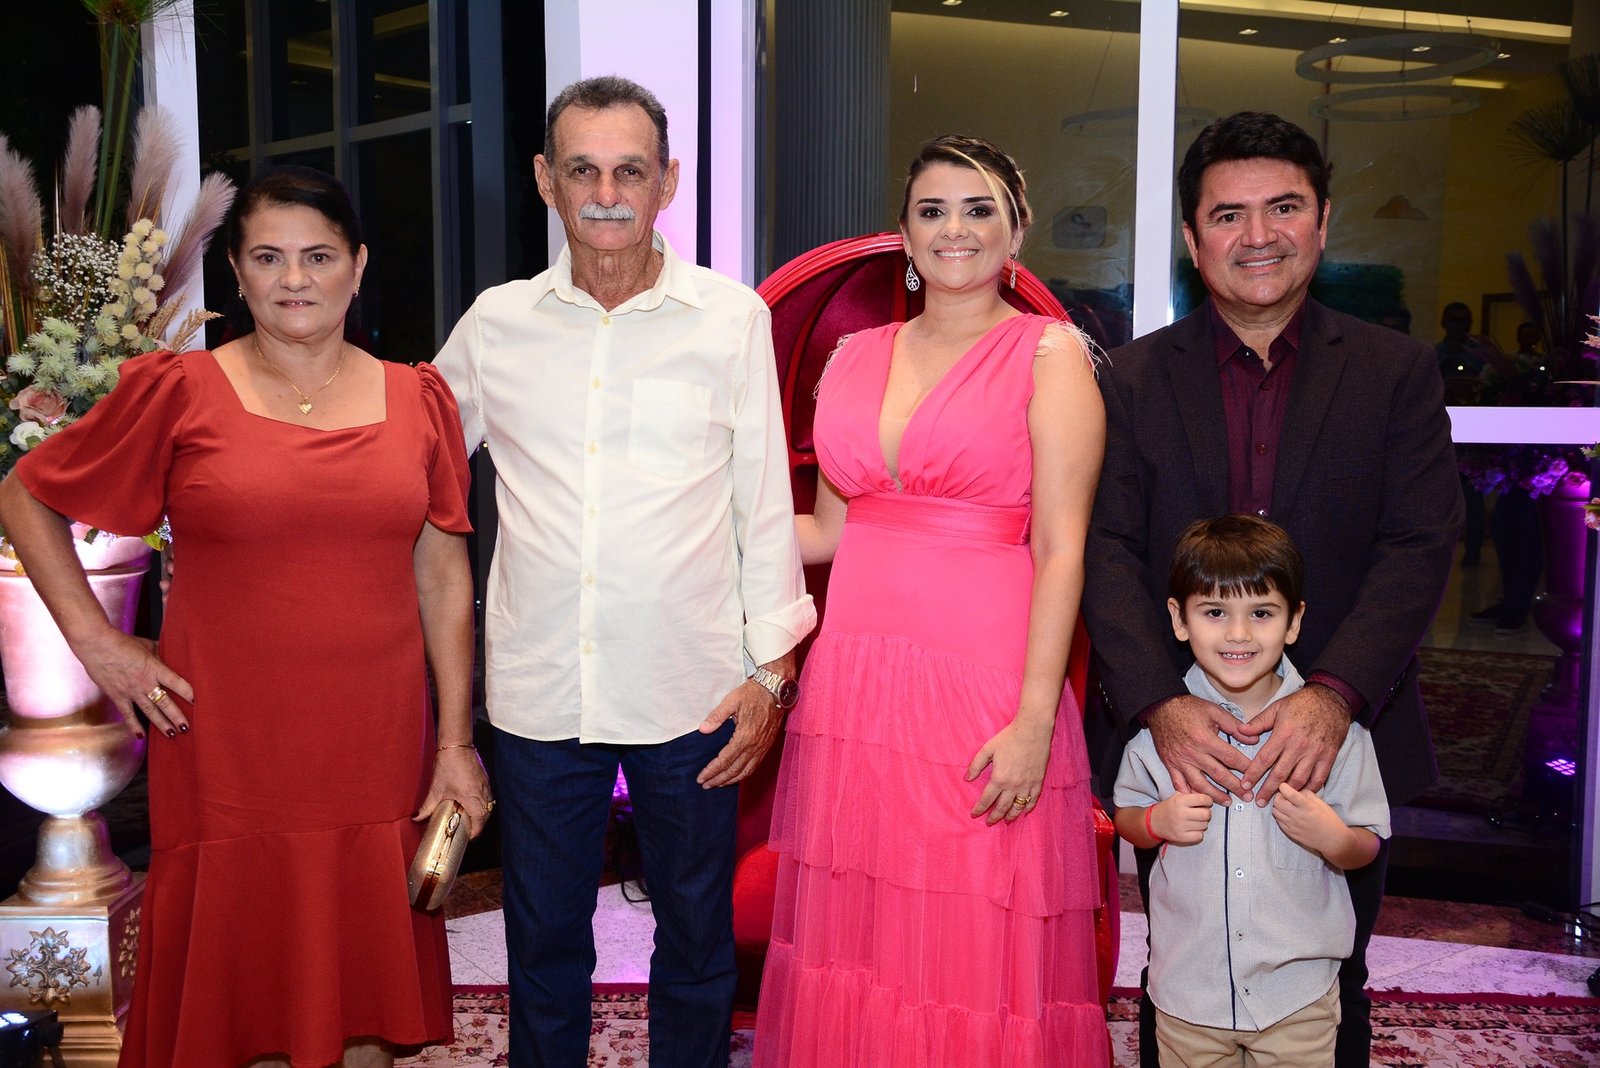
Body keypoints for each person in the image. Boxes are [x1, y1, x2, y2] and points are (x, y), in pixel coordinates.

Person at [0, 165, 491, 1067]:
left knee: (364, 994)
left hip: (376, 743)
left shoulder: (419, 398)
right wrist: (98, 643)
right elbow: (24, 494)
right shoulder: (178, 390)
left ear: (358, 266)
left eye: (318, 256)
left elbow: (443, 576)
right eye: (268, 257)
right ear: (236, 270)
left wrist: (457, 742)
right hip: (228, 745)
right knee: (248, 991)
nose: (294, 279)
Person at [434, 76, 814, 1067]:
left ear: (666, 182)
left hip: (694, 689)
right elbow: (411, 464)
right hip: (539, 690)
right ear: (545, 180)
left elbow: (762, 503)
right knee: (541, 936)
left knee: (695, 934)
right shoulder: (495, 324)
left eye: (629, 171)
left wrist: (771, 674)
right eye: (583, 170)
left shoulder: (729, 319)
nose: (606, 194)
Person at [1081, 111, 1462, 1068]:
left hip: (1343, 734)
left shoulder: (1395, 372)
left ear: (1323, 221)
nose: (1258, 235)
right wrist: (1161, 707)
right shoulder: (1129, 379)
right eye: (1228, 215)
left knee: (1336, 975)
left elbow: (1419, 545)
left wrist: (1333, 699)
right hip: (1182, 742)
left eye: (1284, 207)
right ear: (1191, 236)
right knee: (1181, 967)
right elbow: (1105, 549)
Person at [754, 135, 1110, 1066]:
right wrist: (694, 528)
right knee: (864, 934)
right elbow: (830, 530)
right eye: (933, 211)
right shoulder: (854, 355)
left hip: (983, 688)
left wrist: (1036, 720)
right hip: (857, 689)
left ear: (1016, 231)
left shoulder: (1050, 355)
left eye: (980, 209)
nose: (956, 229)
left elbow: (1063, 550)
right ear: (904, 236)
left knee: (972, 935)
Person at [1113, 514, 1390, 1068]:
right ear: (1179, 619)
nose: (1238, 634)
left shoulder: (1336, 736)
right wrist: (1156, 822)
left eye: (1261, 613)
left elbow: (1368, 843)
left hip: (1297, 997)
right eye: (1215, 612)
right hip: (1187, 993)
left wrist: (1333, 838)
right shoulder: (1159, 734)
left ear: (1293, 621)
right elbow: (1126, 816)